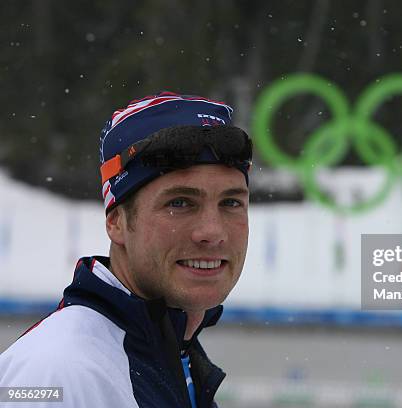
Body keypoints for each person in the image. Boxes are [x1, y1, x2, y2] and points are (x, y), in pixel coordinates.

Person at [0, 92, 253, 408]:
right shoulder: (56, 373)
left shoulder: (173, 353)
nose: (211, 233)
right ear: (116, 221)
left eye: (231, 203)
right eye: (180, 203)